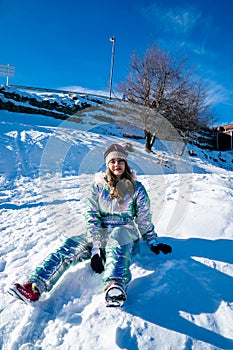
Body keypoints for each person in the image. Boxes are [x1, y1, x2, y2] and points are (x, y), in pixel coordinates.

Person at [9, 143, 172, 307]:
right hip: (100, 232)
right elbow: (92, 216)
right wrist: (96, 248)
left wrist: (152, 240)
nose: (117, 164)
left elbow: (143, 218)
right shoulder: (98, 186)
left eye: (120, 160)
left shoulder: (136, 188)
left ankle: (115, 286)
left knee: (118, 237)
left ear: (126, 163)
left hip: (125, 231)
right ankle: (34, 287)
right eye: (112, 161)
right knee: (70, 246)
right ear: (108, 164)